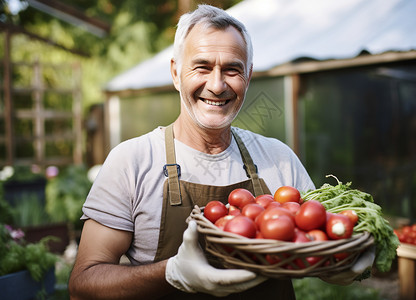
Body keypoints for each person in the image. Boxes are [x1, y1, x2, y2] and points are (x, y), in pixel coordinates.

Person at [68, 4, 374, 300]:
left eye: (232, 69)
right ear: (176, 73)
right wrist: (171, 273)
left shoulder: (278, 158)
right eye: (202, 66)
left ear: (248, 76)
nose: (217, 85)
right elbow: (82, 286)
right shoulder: (131, 161)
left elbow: (316, 237)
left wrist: (340, 260)